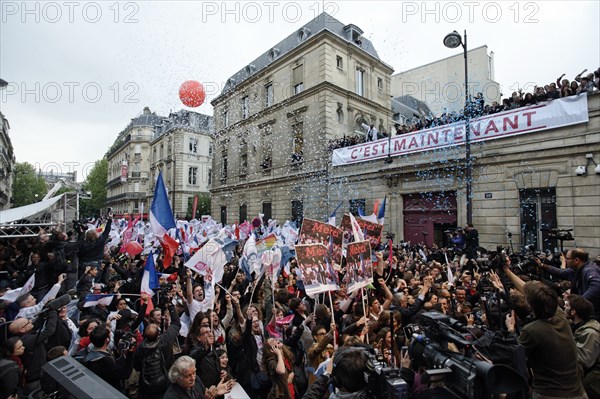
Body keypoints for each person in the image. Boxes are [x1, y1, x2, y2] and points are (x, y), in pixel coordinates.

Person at [502, 259, 587, 399]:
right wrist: (507, 271)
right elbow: (530, 291)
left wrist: (511, 330)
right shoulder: (560, 316)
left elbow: (516, 355)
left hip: (551, 395)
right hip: (578, 392)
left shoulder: (532, 330)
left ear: (530, 306)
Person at [134, 298, 181, 398]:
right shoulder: (165, 341)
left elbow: (137, 366)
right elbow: (176, 323)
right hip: (164, 386)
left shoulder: (140, 348)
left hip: (146, 387)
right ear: (158, 334)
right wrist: (170, 305)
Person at [538, 249, 600, 316]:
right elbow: (561, 273)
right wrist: (542, 265)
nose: (565, 260)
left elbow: (597, 286)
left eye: (567, 258)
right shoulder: (575, 269)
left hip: (593, 311)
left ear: (576, 260)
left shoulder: (589, 270)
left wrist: (579, 302)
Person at [566, 294, 600, 398]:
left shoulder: (590, 332)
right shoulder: (578, 326)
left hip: (593, 379)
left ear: (573, 312)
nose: (564, 307)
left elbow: (584, 361)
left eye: (567, 306)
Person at [163, 355, 235, 399]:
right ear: (177, 378)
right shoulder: (171, 396)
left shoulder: (196, 379)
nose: (193, 377)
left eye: (194, 372)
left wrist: (215, 393)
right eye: (188, 375)